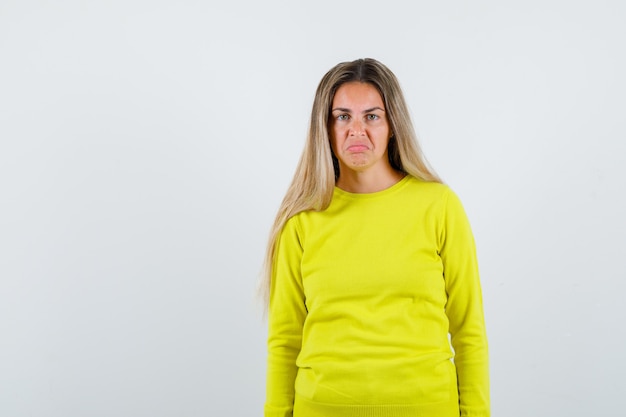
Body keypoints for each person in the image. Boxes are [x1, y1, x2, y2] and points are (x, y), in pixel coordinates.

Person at [262, 58, 489, 417]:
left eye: (371, 116)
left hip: (426, 408)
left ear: (392, 125)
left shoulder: (439, 206)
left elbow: (468, 331)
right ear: (325, 126)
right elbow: (285, 341)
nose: (356, 130)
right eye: (342, 116)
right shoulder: (302, 220)